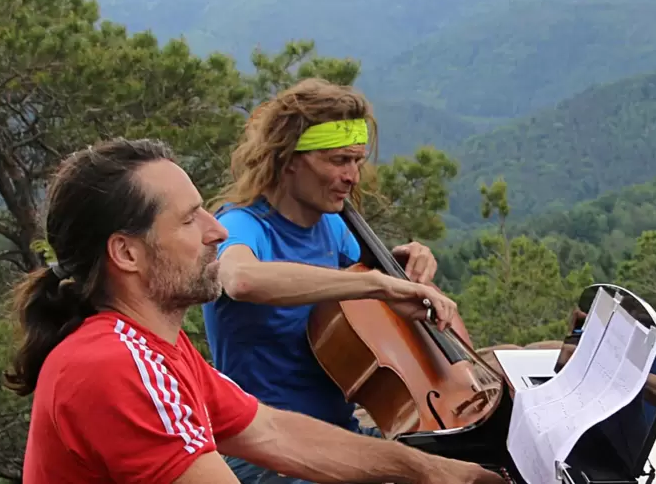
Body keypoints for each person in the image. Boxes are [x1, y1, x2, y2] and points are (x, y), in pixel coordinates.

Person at [4, 138, 503, 484]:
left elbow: (274, 431)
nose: (216, 230)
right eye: (187, 221)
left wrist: (422, 467)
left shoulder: (155, 348)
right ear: (126, 253)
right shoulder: (113, 365)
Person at [202, 78, 475, 483]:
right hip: (265, 448)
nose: (353, 177)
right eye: (338, 161)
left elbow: (369, 296)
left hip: (340, 438)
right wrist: (377, 285)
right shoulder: (242, 224)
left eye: (358, 162)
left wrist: (399, 269)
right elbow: (240, 278)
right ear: (289, 158)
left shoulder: (333, 227)